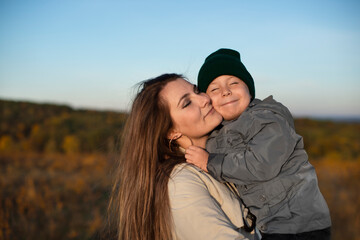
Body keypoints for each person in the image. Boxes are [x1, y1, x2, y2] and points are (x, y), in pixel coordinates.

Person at [185, 48, 332, 239]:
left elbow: (261, 165)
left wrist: (209, 162)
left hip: (299, 224)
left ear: (249, 88)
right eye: (214, 89)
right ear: (207, 100)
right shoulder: (218, 132)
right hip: (270, 226)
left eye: (234, 82)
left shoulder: (268, 119)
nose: (226, 91)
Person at [108, 73, 260, 240]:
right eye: (187, 103)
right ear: (171, 132)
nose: (205, 99)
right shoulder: (181, 183)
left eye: (197, 91)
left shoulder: (227, 156)